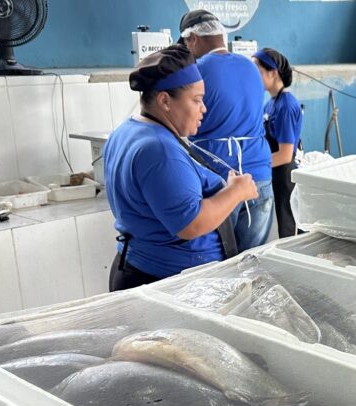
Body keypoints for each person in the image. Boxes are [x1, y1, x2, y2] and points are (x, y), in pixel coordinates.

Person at [103, 44, 257, 291]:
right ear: (164, 100)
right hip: (167, 282)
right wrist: (236, 192)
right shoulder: (159, 150)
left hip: (141, 267)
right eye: (196, 100)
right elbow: (191, 224)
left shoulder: (126, 131)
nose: (203, 109)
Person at [179, 10, 274, 251]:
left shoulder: (196, 72)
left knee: (221, 263)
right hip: (259, 175)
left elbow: (184, 124)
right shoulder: (251, 67)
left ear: (193, 39)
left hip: (221, 178)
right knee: (253, 258)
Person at [252, 47, 304, 238]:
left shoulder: (286, 105)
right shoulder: (270, 103)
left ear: (273, 72)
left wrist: (254, 167)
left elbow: (285, 154)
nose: (252, 75)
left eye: (256, 70)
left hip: (284, 175)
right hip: (273, 173)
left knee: (287, 228)